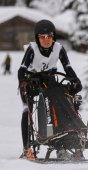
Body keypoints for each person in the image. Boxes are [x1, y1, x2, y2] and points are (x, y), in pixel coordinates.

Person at [18, 20, 82, 159]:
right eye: (42, 37)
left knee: (62, 99)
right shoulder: (32, 49)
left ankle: (65, 138)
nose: (46, 40)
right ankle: (27, 147)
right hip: (31, 82)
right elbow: (21, 70)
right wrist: (24, 82)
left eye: (49, 36)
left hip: (49, 81)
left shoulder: (59, 48)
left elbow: (68, 68)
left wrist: (76, 80)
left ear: (53, 37)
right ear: (37, 38)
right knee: (26, 110)